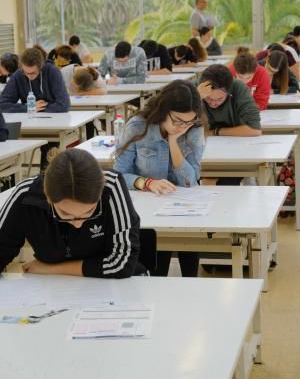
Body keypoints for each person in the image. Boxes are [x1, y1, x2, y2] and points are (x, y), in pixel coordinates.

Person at [0, 149, 142, 277]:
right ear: (48, 198)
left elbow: (124, 264)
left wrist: (49, 269)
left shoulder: (110, 185)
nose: (78, 224)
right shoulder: (26, 195)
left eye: (89, 211)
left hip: (109, 286)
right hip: (50, 291)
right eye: (65, 214)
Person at [114, 80, 204, 277]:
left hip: (185, 209)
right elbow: (118, 175)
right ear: (164, 110)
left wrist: (173, 140)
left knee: (190, 272)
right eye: (177, 120)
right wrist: (146, 183)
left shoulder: (194, 129)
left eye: (188, 121)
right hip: (148, 210)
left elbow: (191, 180)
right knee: (157, 270)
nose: (182, 126)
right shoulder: (138, 127)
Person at [197, 64, 261, 185]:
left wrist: (216, 132)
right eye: (208, 99)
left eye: (219, 99)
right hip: (204, 151)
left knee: (224, 182)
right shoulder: (196, 91)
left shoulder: (238, 88)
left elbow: (254, 130)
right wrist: (196, 97)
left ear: (229, 91)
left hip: (236, 150)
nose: (214, 103)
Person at [0, 47, 70, 113]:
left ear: (41, 67)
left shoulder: (52, 72)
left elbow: (64, 105)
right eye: (26, 73)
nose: (29, 76)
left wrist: (39, 108)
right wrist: (28, 107)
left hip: (55, 120)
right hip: (29, 120)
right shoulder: (18, 75)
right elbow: (2, 104)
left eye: (33, 73)